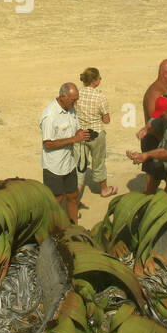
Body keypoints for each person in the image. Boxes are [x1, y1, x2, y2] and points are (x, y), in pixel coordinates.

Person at [40, 82, 90, 224]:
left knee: (73, 195)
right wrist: (75, 139)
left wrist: (82, 134)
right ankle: (53, 229)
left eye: (76, 100)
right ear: (63, 96)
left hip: (69, 163)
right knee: (56, 200)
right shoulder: (49, 116)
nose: (75, 103)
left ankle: (73, 226)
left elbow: (76, 129)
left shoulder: (71, 108)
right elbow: (48, 144)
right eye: (73, 100)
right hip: (54, 166)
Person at [75, 67, 117, 204]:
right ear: (94, 81)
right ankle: (104, 189)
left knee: (80, 166)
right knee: (98, 163)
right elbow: (106, 120)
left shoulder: (77, 94)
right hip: (96, 133)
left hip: (80, 134)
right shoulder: (100, 97)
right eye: (99, 78)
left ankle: (75, 197)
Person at [138, 58, 167, 192]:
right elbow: (153, 122)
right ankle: (144, 207)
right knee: (153, 181)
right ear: (165, 73)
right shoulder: (156, 92)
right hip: (154, 140)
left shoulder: (165, 89)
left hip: (161, 140)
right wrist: (165, 143)